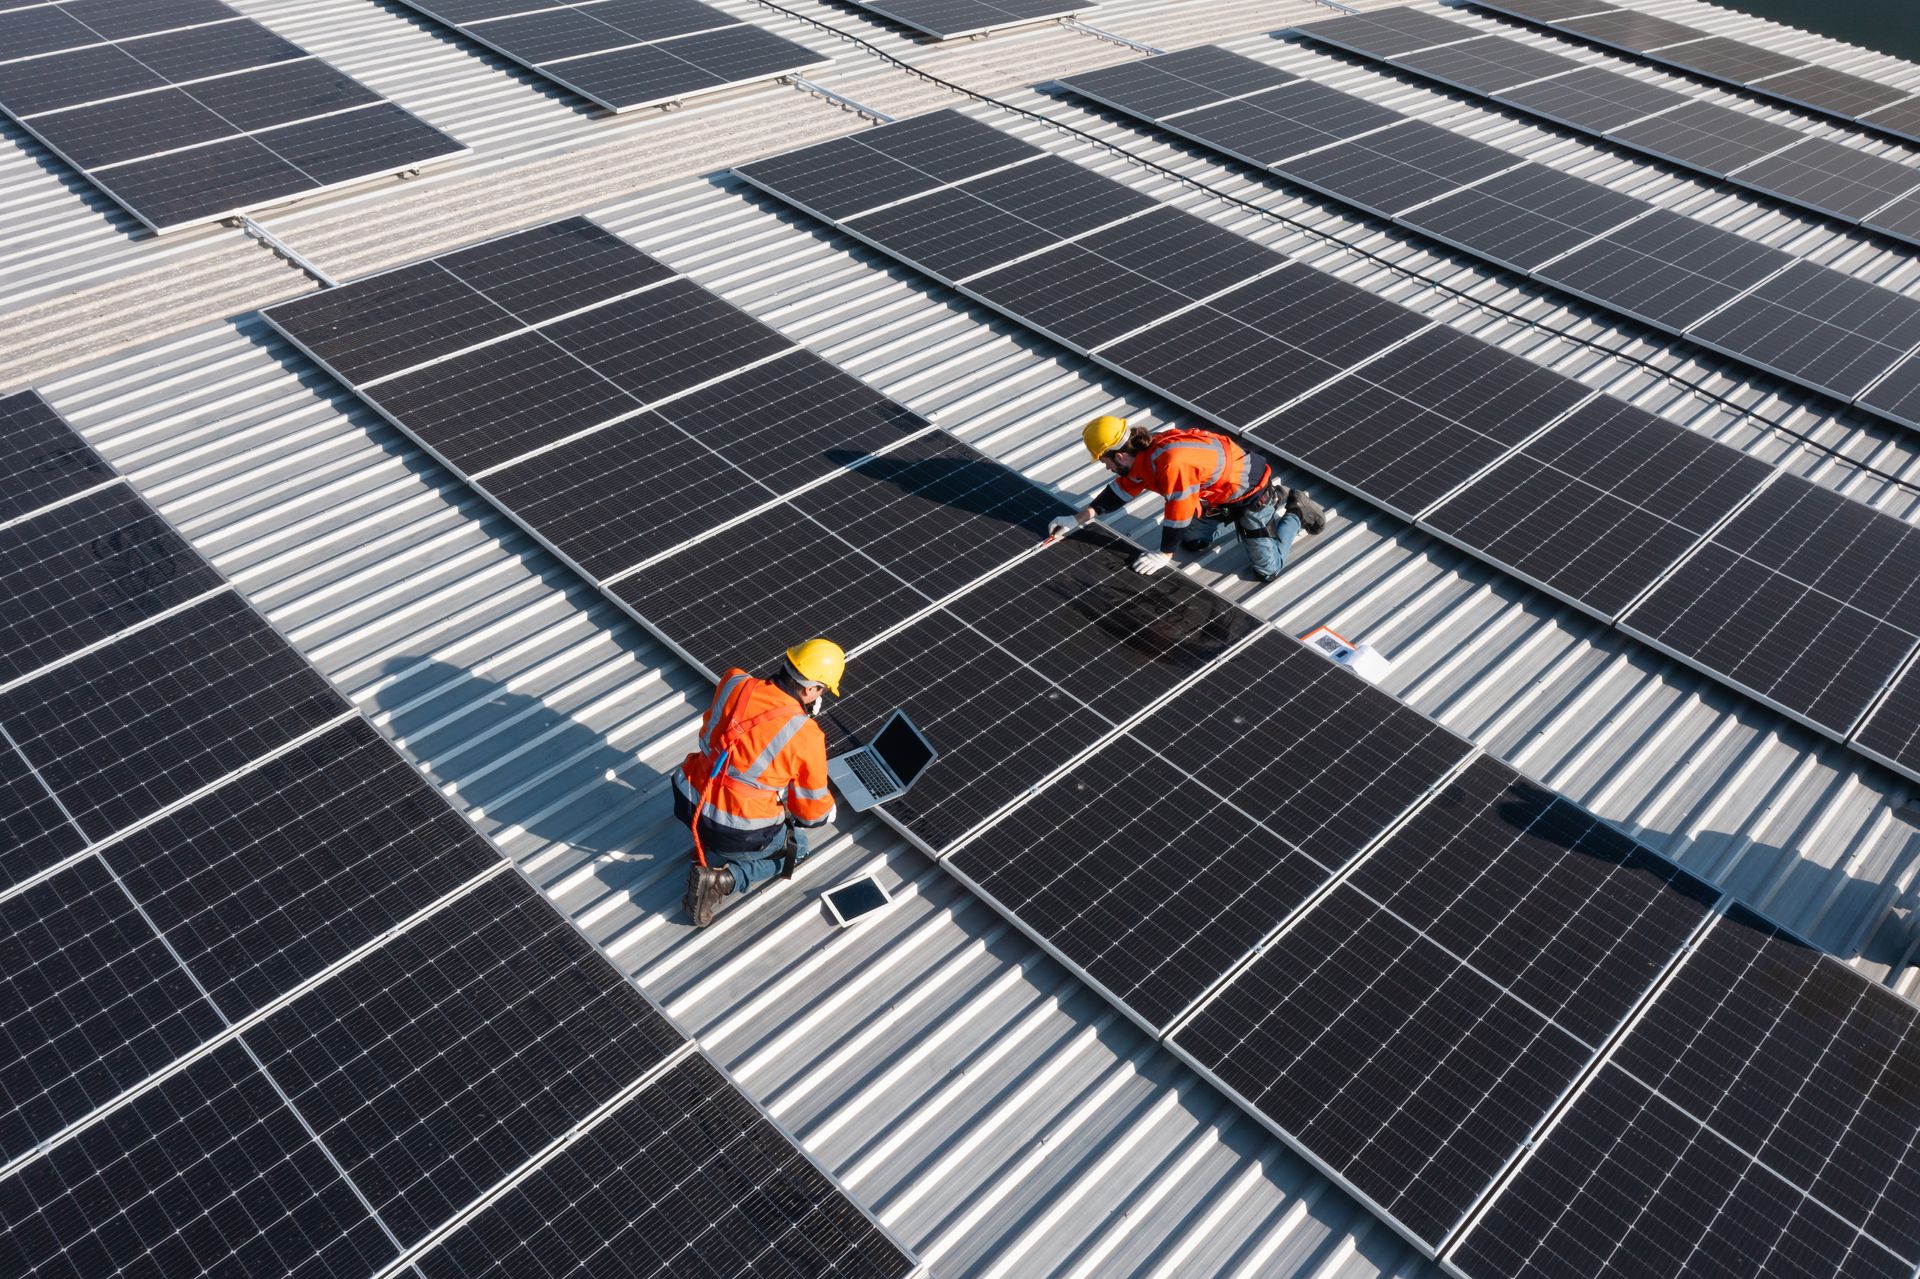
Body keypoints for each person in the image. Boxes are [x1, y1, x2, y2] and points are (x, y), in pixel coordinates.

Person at [678, 639, 844, 927]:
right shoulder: (806, 735)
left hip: (688, 798)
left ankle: (707, 847)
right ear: (810, 689)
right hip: (731, 829)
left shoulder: (734, 681)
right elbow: (812, 812)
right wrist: (827, 813)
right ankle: (724, 880)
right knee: (799, 846)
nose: (822, 694)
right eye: (823, 688)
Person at [1048, 416, 1324, 580]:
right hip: (1217, 497)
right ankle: (1237, 519)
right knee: (1193, 543)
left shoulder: (1170, 462)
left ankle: (1295, 511)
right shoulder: (1141, 456)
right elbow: (1120, 491)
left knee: (1268, 571)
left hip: (1250, 494)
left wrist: (1164, 554)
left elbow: (1178, 510)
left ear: (1119, 456)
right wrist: (1076, 519)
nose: (1107, 469)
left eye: (1104, 463)